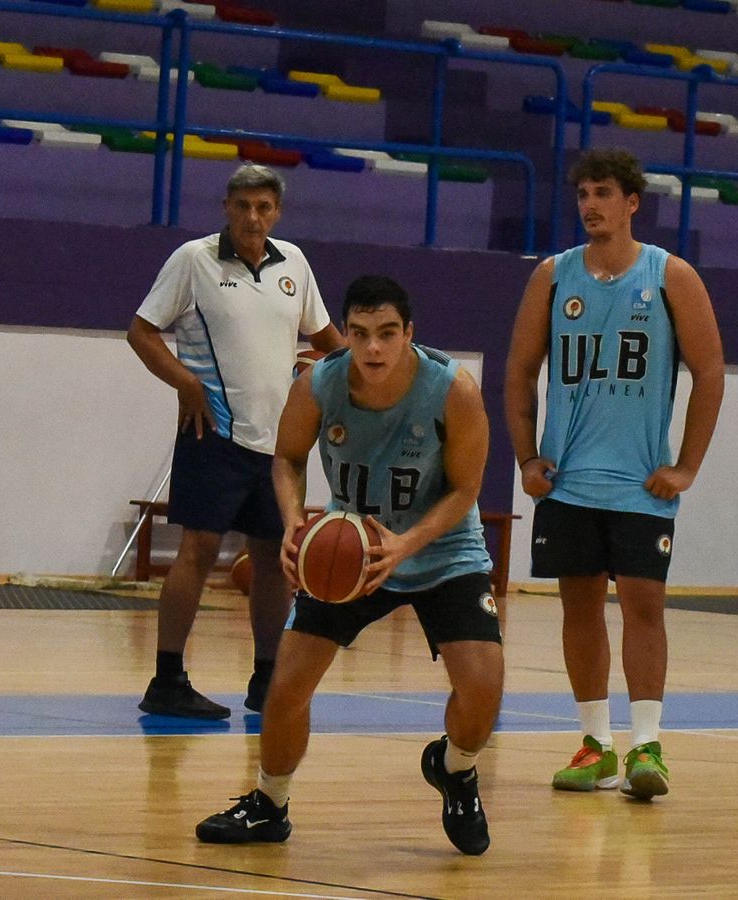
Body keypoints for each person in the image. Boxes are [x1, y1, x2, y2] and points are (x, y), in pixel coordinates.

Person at [195, 275, 503, 856]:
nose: (373, 349)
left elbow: (466, 490)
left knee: (484, 688)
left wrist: (407, 544)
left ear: (410, 333)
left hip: (440, 548)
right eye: (360, 334)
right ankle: (270, 804)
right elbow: (286, 459)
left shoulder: (452, 390)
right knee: (285, 686)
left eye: (387, 334)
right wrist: (293, 523)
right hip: (351, 546)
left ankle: (455, 769)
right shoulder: (319, 384)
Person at [503, 148, 725, 799]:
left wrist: (686, 466)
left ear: (632, 202)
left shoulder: (669, 276)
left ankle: (647, 746)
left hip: (639, 484)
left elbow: (709, 372)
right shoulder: (552, 275)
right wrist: (525, 457)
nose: (592, 205)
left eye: (604, 193)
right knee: (577, 609)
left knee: (643, 606)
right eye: (584, 195)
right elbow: (518, 370)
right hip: (568, 481)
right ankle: (595, 744)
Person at [128, 164, 344, 720]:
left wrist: (325, 377)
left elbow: (330, 344)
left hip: (280, 447)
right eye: (243, 205)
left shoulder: (294, 263)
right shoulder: (193, 260)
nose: (253, 217)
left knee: (274, 560)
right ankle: (168, 679)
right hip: (214, 432)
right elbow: (142, 331)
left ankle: (267, 679)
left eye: (264, 208)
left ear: (277, 212)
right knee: (197, 552)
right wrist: (185, 381)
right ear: (226, 205)